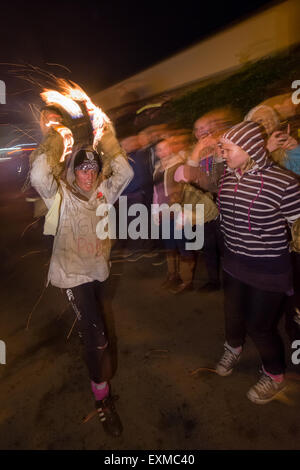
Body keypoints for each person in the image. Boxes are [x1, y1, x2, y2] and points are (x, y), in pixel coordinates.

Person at [30, 118, 133, 436]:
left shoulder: (104, 191)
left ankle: (89, 337)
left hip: (99, 271)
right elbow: (37, 174)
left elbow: (126, 173)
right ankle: (103, 401)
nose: (88, 175)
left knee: (98, 323)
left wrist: (107, 140)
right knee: (98, 338)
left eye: (93, 169)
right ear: (72, 171)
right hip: (72, 275)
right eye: (82, 169)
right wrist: (55, 137)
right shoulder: (58, 194)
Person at [215, 120, 300, 404]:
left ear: (249, 148)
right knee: (233, 314)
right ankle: (234, 347)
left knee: (260, 326)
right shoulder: (226, 177)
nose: (222, 154)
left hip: (268, 270)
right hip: (233, 264)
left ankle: (275, 374)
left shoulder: (285, 183)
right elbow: (224, 218)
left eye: (227, 149)